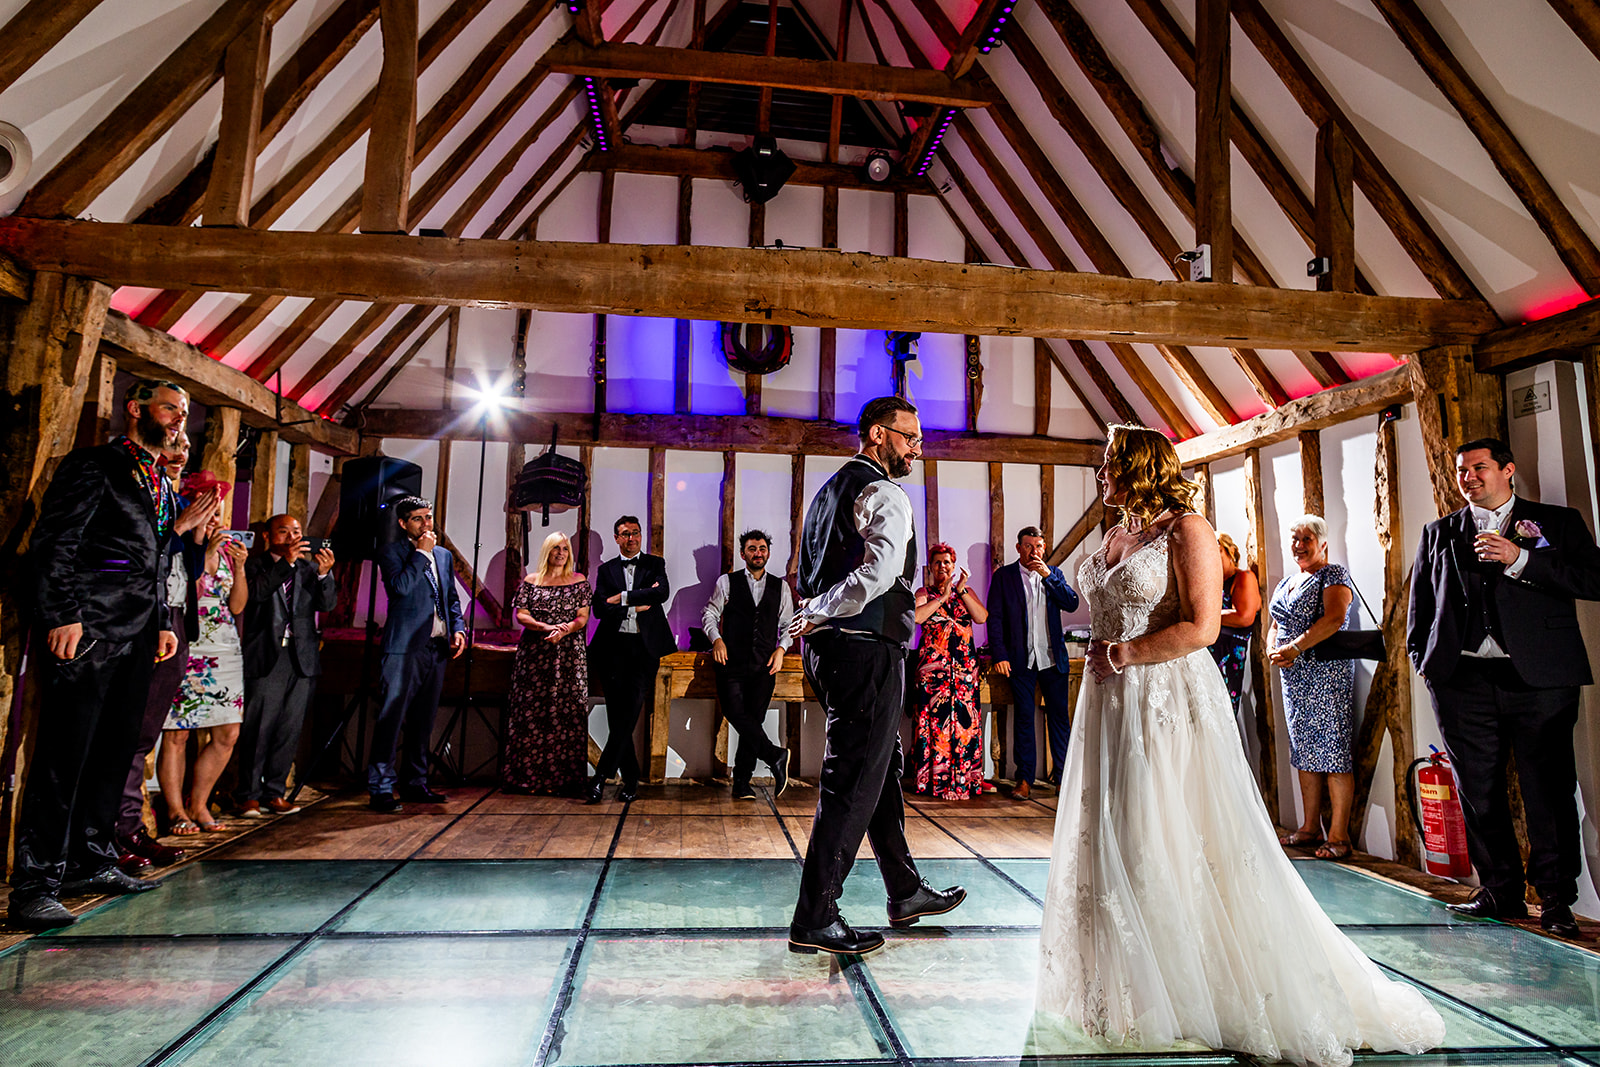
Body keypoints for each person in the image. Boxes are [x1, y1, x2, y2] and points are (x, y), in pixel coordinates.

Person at [1035, 424, 1442, 1065]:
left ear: (1142, 465)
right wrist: (1104, 652)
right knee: (1107, 826)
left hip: (1162, 693)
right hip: (1109, 700)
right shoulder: (1115, 534)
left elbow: (1202, 627)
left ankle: (1190, 986)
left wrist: (1126, 651)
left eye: (1111, 464)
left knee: (1160, 826)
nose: (1102, 475)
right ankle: (1123, 987)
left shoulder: (1187, 531)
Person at [9, 380, 202, 929]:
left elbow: (160, 558)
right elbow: (56, 543)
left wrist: (163, 623)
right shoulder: (96, 465)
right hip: (89, 627)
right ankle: (34, 883)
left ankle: (90, 862)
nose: (177, 419)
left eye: (184, 413)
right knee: (63, 756)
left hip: (142, 632)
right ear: (136, 409)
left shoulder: (162, 480)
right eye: (170, 408)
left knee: (116, 751)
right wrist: (62, 615)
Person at [787, 396, 965, 956]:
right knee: (851, 781)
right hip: (863, 649)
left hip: (831, 651)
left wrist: (813, 614)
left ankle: (905, 889)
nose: (917, 446)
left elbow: (812, 570)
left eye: (918, 437)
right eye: (908, 436)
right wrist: (818, 611)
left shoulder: (826, 493)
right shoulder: (885, 491)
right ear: (875, 435)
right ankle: (816, 916)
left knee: (879, 767)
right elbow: (877, 572)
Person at [1407, 438, 1600, 939]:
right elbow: (1421, 606)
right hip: (1462, 683)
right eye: (1461, 470)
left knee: (1549, 791)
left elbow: (1592, 578)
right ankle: (1499, 890)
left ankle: (1557, 900)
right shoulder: (1439, 532)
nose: (1468, 477)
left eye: (1479, 467)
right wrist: (1426, 665)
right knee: (1478, 792)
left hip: (1540, 682)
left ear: (1507, 470)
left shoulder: (1554, 522)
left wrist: (1521, 559)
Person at [116, 436, 203, 871]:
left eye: (185, 448)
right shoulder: (141, 500)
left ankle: (130, 828)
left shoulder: (174, 499)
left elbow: (185, 569)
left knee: (144, 733)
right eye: (172, 447)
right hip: (140, 619)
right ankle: (114, 834)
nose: (179, 452)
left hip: (175, 621)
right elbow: (142, 554)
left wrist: (199, 538)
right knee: (127, 734)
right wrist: (180, 528)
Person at [1266, 515, 1357, 861]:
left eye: (1307, 538)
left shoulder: (1332, 575)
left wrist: (1296, 648)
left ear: (1322, 544)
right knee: (1304, 750)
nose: (1300, 544)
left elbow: (1333, 619)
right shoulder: (1287, 582)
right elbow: (1275, 623)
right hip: (1294, 677)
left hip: (1325, 675)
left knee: (1334, 753)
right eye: (1295, 538)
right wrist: (1273, 648)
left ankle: (1339, 835)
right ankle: (1308, 827)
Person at [368, 496, 465, 812]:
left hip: (435, 648)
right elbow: (400, 588)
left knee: (423, 721)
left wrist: (458, 628)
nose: (427, 524)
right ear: (403, 523)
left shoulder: (444, 556)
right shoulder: (392, 552)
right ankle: (381, 787)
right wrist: (421, 554)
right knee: (391, 720)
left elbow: (450, 598)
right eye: (419, 519)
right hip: (403, 649)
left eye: (429, 516)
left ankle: (415, 783)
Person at [159, 500, 250, 833]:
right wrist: (205, 552)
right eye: (209, 516)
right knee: (178, 733)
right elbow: (187, 592)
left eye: (218, 516)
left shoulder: (227, 554)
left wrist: (239, 568)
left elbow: (238, 604)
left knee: (228, 732)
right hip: (188, 644)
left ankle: (199, 804)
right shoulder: (182, 549)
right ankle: (174, 811)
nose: (215, 522)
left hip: (225, 648)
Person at [239, 512, 337, 817]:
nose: (293, 537)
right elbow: (256, 594)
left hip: (302, 656)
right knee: (258, 728)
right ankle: (248, 794)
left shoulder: (309, 568)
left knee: (288, 728)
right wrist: (286, 563)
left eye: (297, 531)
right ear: (268, 536)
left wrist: (324, 574)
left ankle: (275, 792)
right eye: (284, 532)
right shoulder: (254, 564)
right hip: (268, 654)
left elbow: (327, 604)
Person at [986, 526, 1079, 799]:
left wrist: (1048, 576)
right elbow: (995, 619)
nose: (1034, 551)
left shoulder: (1054, 574)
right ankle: (1024, 780)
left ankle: (1062, 778)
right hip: (1020, 660)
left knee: (1059, 719)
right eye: (1028, 546)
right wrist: (999, 654)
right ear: (1018, 548)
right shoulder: (1004, 577)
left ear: (1044, 548)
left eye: (1038, 546)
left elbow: (1071, 603)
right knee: (1024, 718)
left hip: (1053, 660)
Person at [587, 515, 674, 804]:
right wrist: (635, 598)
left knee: (631, 711)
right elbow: (599, 608)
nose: (631, 538)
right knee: (617, 717)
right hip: (612, 649)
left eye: (635, 533)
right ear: (616, 538)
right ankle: (631, 779)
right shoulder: (606, 569)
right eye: (625, 534)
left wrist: (620, 597)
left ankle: (600, 778)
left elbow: (661, 593)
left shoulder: (654, 564)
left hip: (644, 648)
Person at [702, 529, 793, 801]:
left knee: (753, 721)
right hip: (730, 662)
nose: (758, 553)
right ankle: (775, 754)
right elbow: (710, 613)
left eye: (762, 548)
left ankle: (742, 783)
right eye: (752, 549)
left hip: (764, 664)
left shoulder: (781, 587)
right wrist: (716, 639)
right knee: (734, 711)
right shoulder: (726, 582)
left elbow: (789, 624)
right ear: (743, 554)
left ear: (768, 552)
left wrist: (781, 649)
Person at [501, 531, 591, 796]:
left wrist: (563, 630)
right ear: (547, 552)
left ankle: (566, 781)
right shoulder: (532, 581)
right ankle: (527, 779)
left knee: (567, 713)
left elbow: (583, 617)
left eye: (565, 548)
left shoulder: (579, 581)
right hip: (534, 654)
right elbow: (521, 614)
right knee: (531, 713)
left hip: (569, 654)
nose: (561, 553)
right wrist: (546, 627)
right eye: (556, 548)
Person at [909, 542, 988, 799]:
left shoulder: (966, 592)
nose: (942, 566)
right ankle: (933, 783)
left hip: (964, 673)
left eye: (947, 562)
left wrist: (960, 590)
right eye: (937, 563)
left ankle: (964, 783)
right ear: (930, 567)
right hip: (934, 675)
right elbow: (918, 617)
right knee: (934, 727)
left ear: (953, 566)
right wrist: (942, 598)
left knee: (964, 727)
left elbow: (981, 617)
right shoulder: (924, 591)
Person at [1207, 531, 1259, 725]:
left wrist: (1204, 617)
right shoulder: (1211, 583)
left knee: (1224, 713)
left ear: (1230, 552)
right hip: (1210, 655)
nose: (1212, 556)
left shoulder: (1243, 578)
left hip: (1228, 656)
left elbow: (1243, 617)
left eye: (1217, 551)